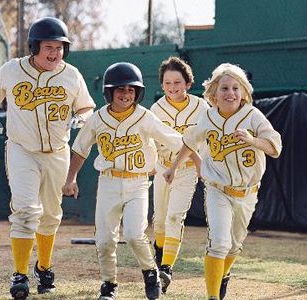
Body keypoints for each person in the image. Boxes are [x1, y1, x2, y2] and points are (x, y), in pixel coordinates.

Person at [0, 17, 95, 300]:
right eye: (48, 47)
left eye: (59, 47)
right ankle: (19, 274)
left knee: (51, 214)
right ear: (34, 47)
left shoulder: (71, 74)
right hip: (22, 150)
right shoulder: (12, 70)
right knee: (26, 210)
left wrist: (82, 117)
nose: (54, 53)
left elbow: (87, 107)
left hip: (58, 152)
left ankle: (44, 267)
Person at [62, 62, 186, 300]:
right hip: (108, 181)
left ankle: (151, 273)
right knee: (105, 238)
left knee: (133, 234)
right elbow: (80, 150)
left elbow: (176, 140)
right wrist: (71, 178)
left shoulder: (143, 117)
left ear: (138, 93)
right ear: (109, 92)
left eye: (131, 90)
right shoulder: (97, 119)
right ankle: (109, 285)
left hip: (138, 183)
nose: (126, 94)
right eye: (120, 89)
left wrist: (198, 159)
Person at [163, 63, 282, 300]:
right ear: (214, 94)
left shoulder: (252, 116)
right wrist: (174, 168)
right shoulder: (208, 117)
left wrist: (252, 140)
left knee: (234, 245)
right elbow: (190, 142)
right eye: (225, 88)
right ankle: (212, 297)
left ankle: (223, 274)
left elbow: (275, 148)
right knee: (218, 242)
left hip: (247, 192)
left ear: (244, 92)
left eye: (235, 88)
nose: (230, 93)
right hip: (217, 190)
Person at [149, 56, 209, 293]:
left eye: (177, 82)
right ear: (162, 85)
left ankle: (166, 268)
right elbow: (151, 141)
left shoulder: (200, 107)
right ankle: (159, 256)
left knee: (175, 217)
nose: (172, 88)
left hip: (186, 170)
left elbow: (204, 139)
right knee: (160, 220)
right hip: (163, 168)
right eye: (167, 83)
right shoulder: (156, 109)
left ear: (187, 82)